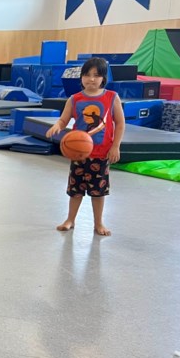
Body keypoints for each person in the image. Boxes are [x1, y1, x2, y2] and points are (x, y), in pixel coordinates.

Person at [45, 57, 126, 236]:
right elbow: (64, 119)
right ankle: (70, 219)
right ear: (81, 77)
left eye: (96, 76)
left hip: (101, 154)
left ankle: (98, 223)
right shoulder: (75, 99)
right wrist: (57, 126)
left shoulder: (112, 98)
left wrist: (115, 146)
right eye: (87, 75)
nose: (91, 79)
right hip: (79, 154)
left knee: (98, 192)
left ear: (103, 78)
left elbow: (120, 123)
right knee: (75, 190)